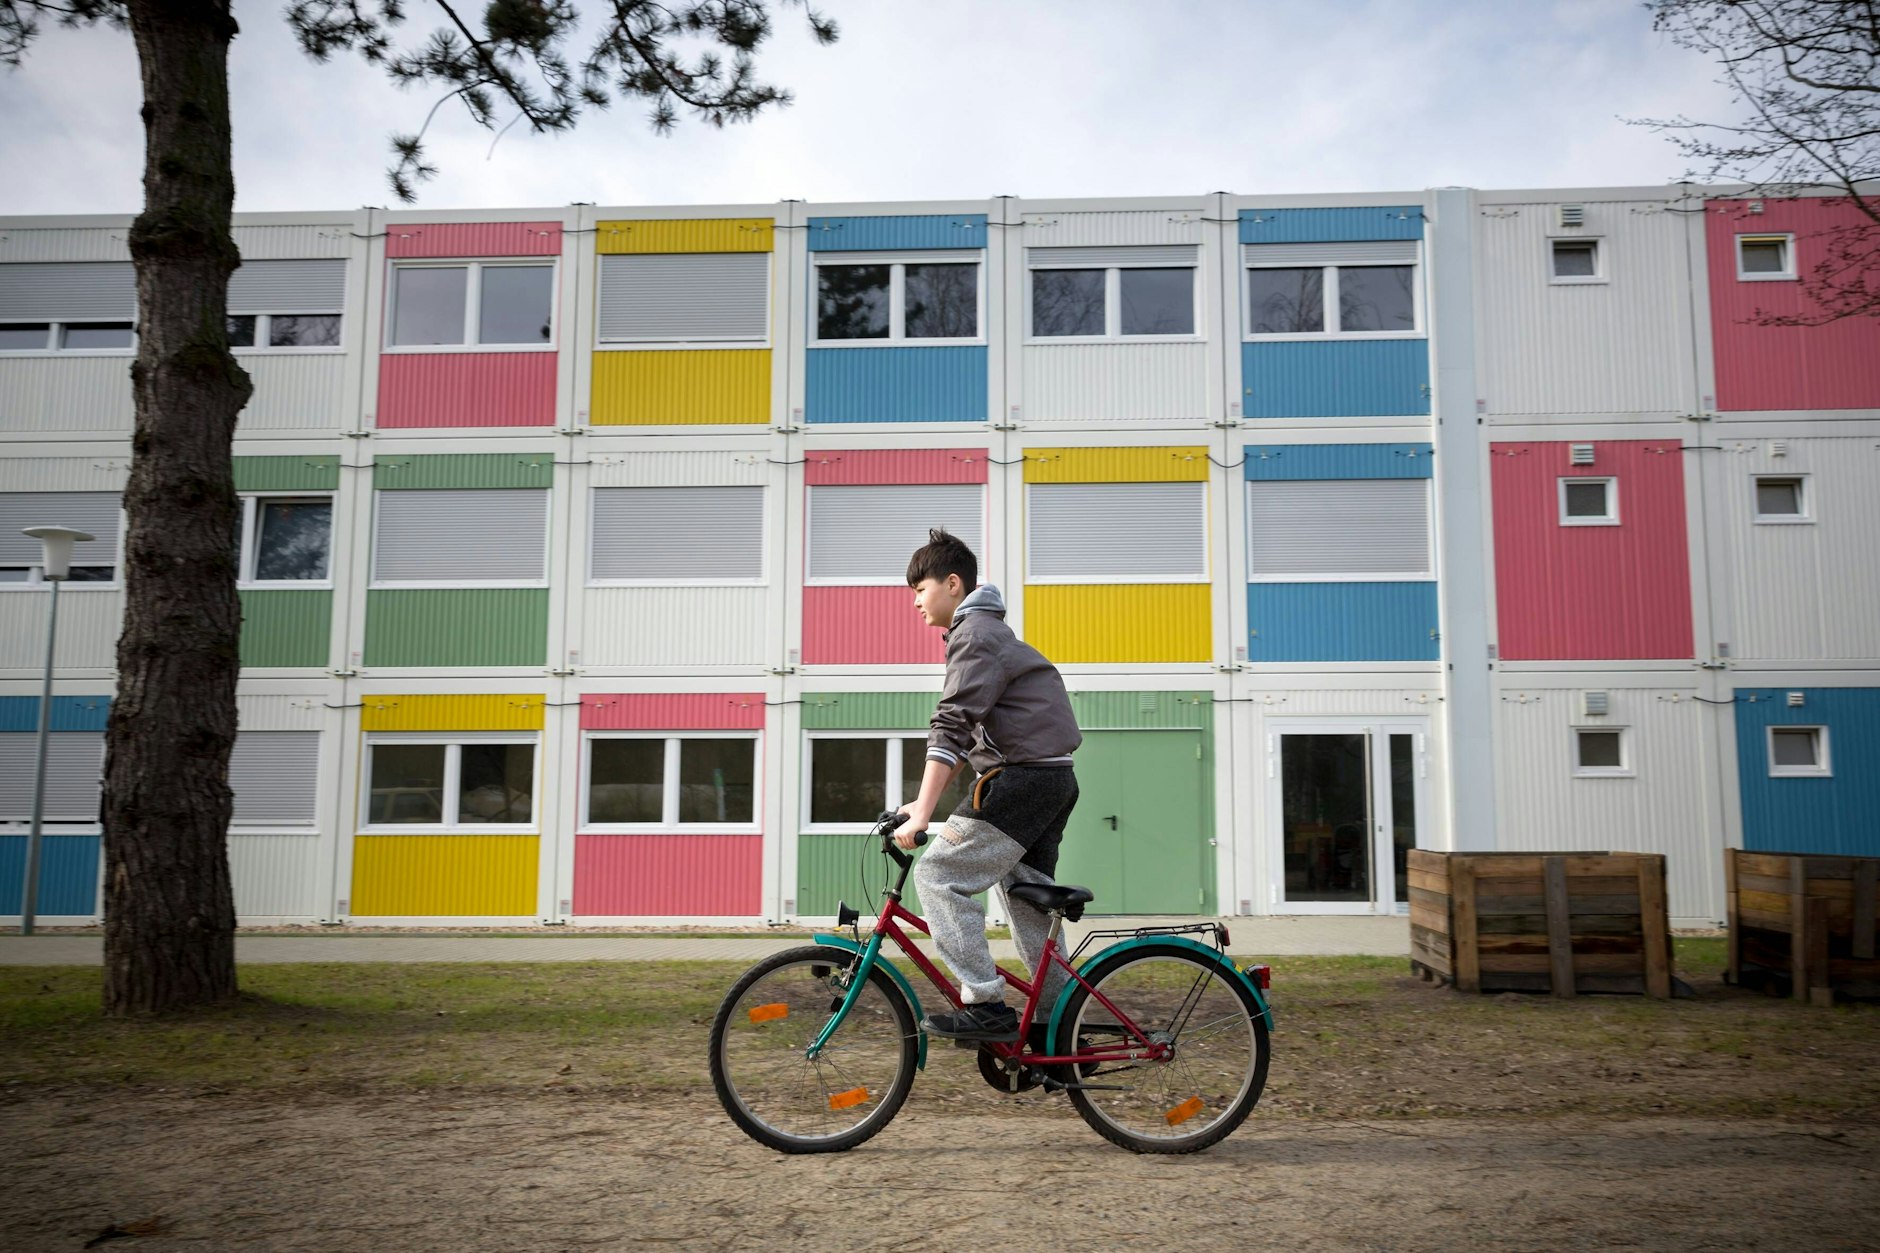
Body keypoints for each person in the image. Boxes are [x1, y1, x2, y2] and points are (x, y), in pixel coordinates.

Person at [894, 528, 1082, 1042]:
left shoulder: (974, 635)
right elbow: (967, 735)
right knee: (1028, 905)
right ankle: (1060, 1024)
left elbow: (951, 726)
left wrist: (924, 817)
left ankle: (984, 1002)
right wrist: (920, 802)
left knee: (938, 876)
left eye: (920, 588)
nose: (915, 602)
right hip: (1050, 780)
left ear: (953, 584)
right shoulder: (986, 635)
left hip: (1023, 782)